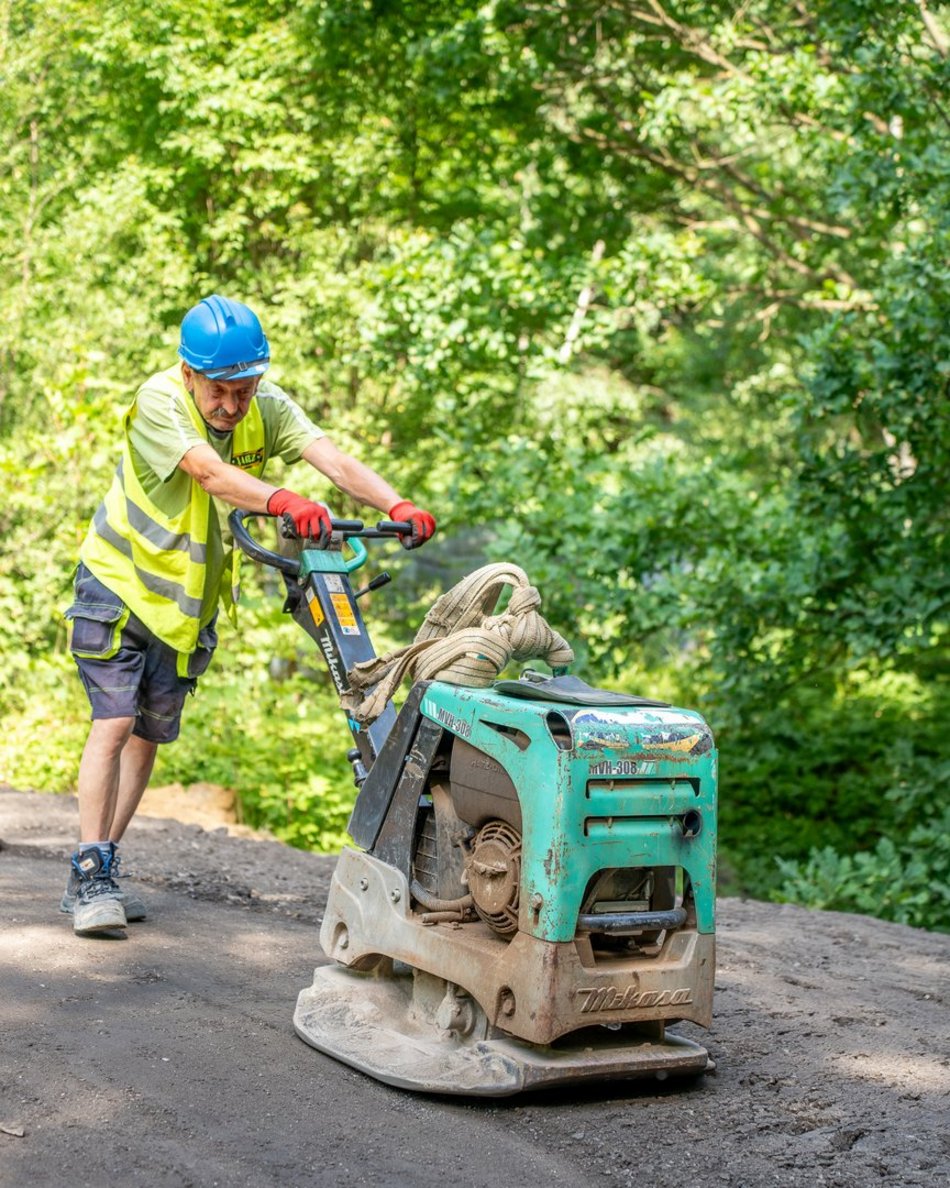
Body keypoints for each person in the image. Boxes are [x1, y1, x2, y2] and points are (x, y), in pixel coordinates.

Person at [62, 294, 436, 937]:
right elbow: (209, 474)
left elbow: (332, 458)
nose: (233, 406)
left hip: (183, 606)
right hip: (118, 585)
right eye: (219, 391)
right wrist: (282, 499)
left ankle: (108, 862)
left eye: (244, 389)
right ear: (188, 375)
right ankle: (88, 872)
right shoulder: (160, 402)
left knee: (149, 736)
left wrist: (396, 503)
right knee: (116, 722)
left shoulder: (266, 405)